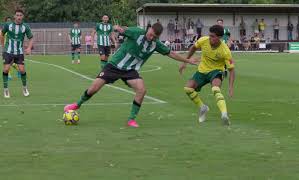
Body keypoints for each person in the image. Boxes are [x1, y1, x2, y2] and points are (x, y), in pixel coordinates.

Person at [64, 23, 198, 127]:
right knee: (94, 88)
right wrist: (118, 29)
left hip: (130, 71)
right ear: (149, 29)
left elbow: (172, 54)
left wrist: (187, 60)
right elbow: (123, 30)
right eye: (151, 34)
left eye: (155, 37)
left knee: (142, 89)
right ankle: (77, 104)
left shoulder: (156, 44)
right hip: (114, 65)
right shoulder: (137, 32)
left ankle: (131, 119)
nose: (151, 38)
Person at [179, 25, 235, 126]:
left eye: (212, 36)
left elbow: (231, 70)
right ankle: (202, 107)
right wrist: (185, 62)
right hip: (202, 71)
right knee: (188, 88)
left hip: (216, 71)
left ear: (219, 38)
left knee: (215, 89)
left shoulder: (225, 51)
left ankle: (224, 114)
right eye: (209, 35)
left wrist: (231, 87)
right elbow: (193, 48)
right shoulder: (203, 40)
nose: (210, 38)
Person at [1, 9, 33, 98]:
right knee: (6, 70)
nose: (19, 17)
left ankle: (25, 88)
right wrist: (3, 45)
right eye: (17, 15)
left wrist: (29, 48)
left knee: (22, 70)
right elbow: (2, 34)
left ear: (23, 17)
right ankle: (6, 90)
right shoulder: (8, 25)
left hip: (19, 52)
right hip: (8, 51)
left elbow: (31, 38)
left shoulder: (25, 27)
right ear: (14, 16)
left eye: (20, 15)